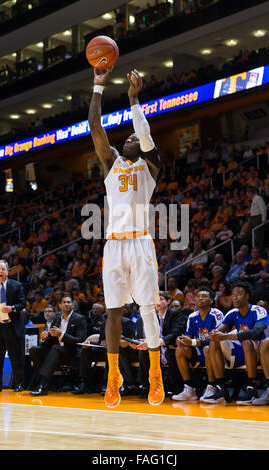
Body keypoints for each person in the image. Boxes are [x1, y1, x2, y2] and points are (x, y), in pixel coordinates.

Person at [88, 68, 163, 408]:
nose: (127, 139)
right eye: (126, 139)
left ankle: (155, 375)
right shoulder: (112, 164)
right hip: (115, 244)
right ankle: (113, 375)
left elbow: (145, 136)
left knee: (147, 307)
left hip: (141, 241)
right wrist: (98, 86)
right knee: (114, 312)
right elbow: (95, 127)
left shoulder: (149, 165)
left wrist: (133, 99)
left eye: (132, 139)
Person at [203, 281, 269, 405]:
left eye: (239, 294)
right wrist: (214, 335)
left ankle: (251, 387)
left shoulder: (259, 310)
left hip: (262, 352)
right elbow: (217, 333)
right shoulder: (232, 313)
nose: (235, 297)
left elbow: (256, 333)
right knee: (213, 343)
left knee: (246, 342)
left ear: (247, 296)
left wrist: (227, 336)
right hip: (242, 352)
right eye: (233, 294)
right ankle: (221, 388)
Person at [172, 287, 224, 402]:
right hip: (198, 351)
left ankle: (212, 386)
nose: (200, 298)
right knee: (180, 349)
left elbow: (217, 338)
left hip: (216, 352)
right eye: (198, 296)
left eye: (204, 296)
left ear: (211, 301)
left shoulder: (217, 314)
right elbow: (188, 337)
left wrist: (194, 342)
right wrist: (182, 340)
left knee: (207, 347)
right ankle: (189, 389)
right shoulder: (192, 316)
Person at [29, 294, 87, 396]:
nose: (66, 304)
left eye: (68, 302)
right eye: (64, 302)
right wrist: (45, 338)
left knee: (55, 348)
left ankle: (43, 385)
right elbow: (51, 340)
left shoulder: (79, 319)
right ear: (60, 305)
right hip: (56, 352)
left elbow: (79, 340)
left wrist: (62, 334)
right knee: (34, 349)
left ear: (73, 305)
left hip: (72, 352)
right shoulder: (56, 318)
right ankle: (41, 380)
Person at [133, 291, 185, 397]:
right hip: (157, 348)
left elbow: (176, 333)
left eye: (160, 299)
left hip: (170, 347)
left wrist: (156, 342)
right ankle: (147, 386)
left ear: (168, 301)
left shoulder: (176, 315)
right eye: (154, 299)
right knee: (143, 352)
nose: (157, 302)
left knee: (170, 354)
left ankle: (176, 388)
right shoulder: (151, 317)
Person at [0, 260, 26, 392]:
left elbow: (22, 303)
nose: (1, 272)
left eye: (3, 269)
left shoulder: (16, 285)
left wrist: (12, 308)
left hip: (12, 326)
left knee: (15, 357)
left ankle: (19, 384)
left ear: (7, 272)